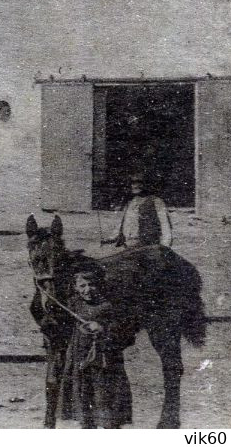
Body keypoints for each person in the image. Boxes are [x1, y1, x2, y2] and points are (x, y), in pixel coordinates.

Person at [59, 264, 132, 428]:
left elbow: (124, 330)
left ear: (99, 285)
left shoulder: (108, 306)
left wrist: (102, 327)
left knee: (105, 398)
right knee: (83, 398)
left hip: (104, 362)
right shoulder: (73, 304)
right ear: (76, 288)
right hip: (80, 360)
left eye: (92, 284)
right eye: (82, 286)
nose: (88, 290)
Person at [110, 173, 172, 250]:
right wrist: (112, 238)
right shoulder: (131, 202)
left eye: (139, 183)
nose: (134, 186)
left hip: (149, 246)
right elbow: (123, 222)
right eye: (132, 183)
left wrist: (165, 244)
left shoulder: (156, 201)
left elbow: (165, 224)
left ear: (147, 184)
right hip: (129, 245)